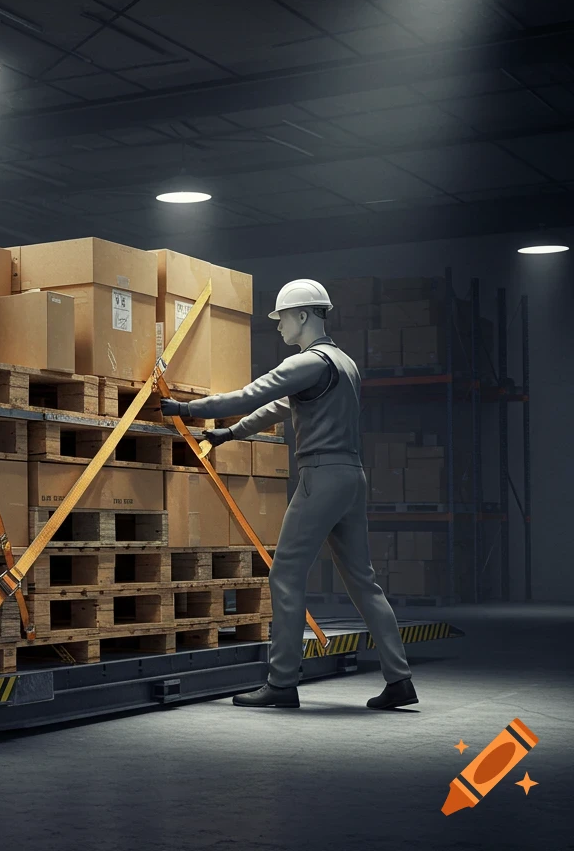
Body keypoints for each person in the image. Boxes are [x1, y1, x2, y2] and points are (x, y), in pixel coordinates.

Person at [160, 279, 416, 710]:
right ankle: (400, 679)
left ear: (303, 315)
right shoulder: (344, 363)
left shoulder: (305, 363)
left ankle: (281, 683)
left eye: (281, 319)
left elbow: (250, 394)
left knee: (285, 575)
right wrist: (229, 434)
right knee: (363, 581)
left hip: (322, 477)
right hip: (352, 476)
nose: (278, 327)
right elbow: (278, 408)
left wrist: (188, 409)